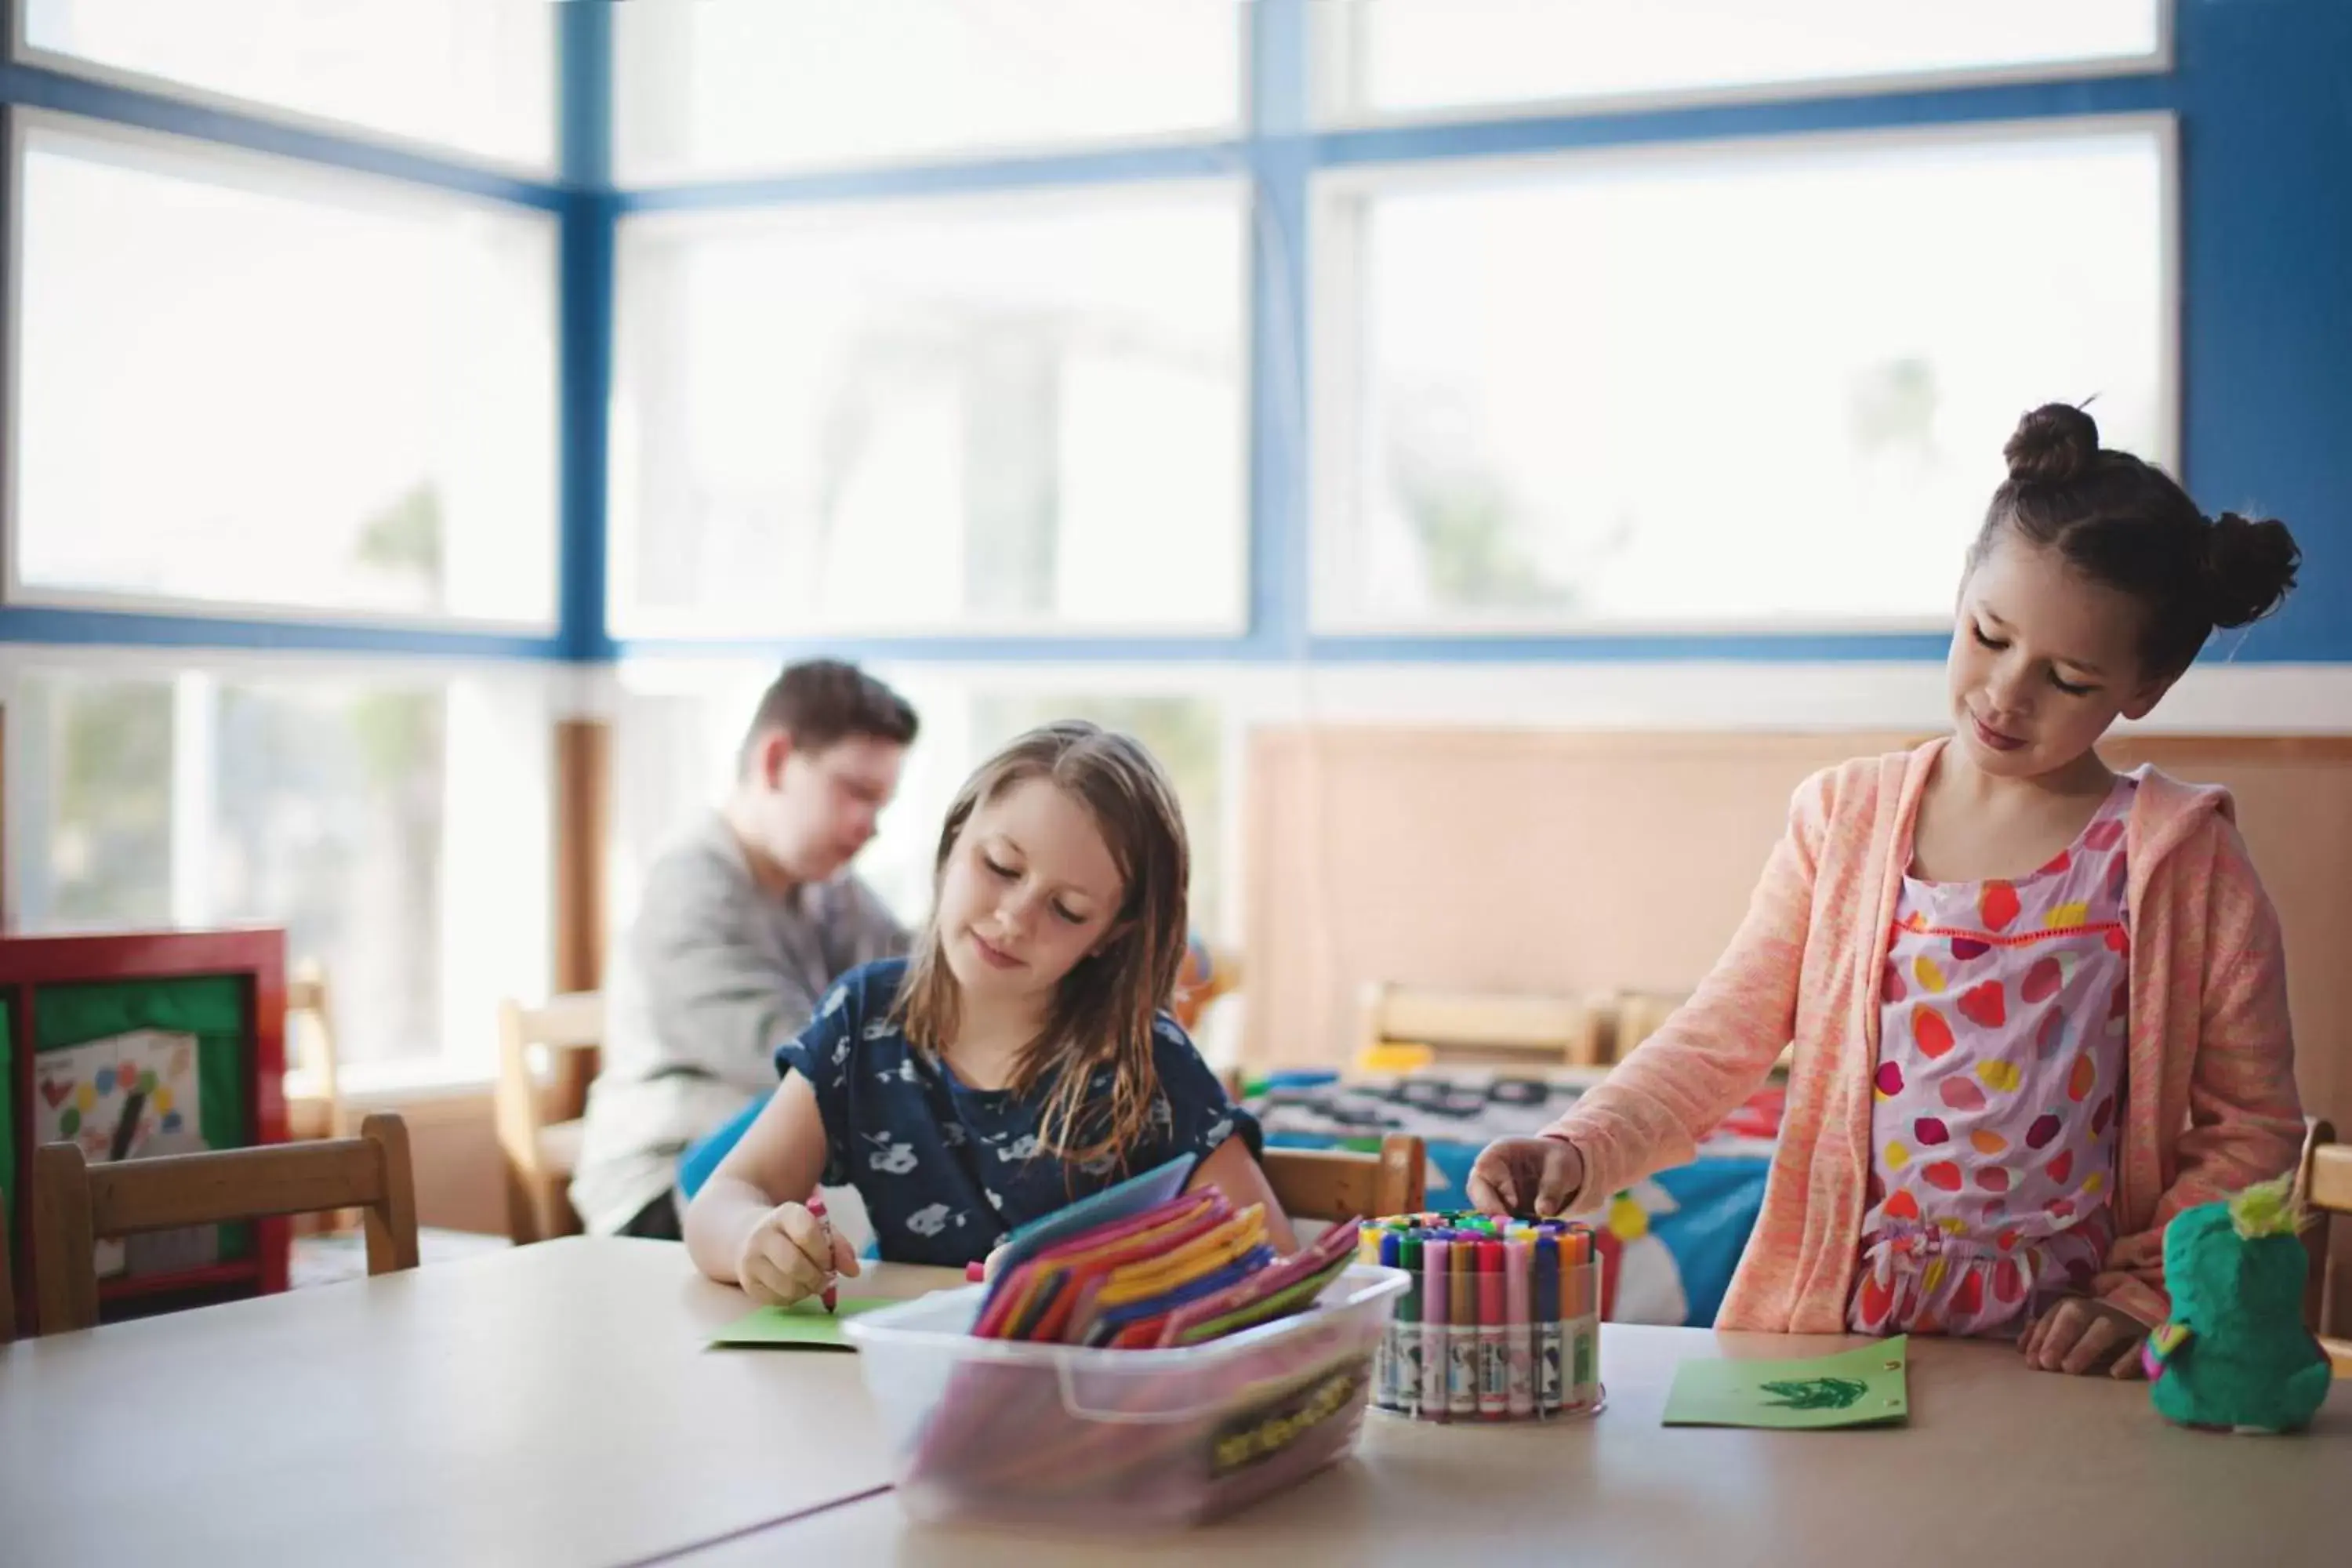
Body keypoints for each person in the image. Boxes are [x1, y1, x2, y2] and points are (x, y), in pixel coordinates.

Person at [1470, 404, 2307, 1377]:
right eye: (1988, 634)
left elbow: (2253, 1127)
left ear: (2145, 685)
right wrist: (1584, 1145)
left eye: (2068, 678)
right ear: (1962, 590)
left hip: (2070, 1356)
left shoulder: (2189, 865)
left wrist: (2141, 1295)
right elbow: (1720, 1034)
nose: (2006, 692)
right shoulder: (1843, 821)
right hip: (1845, 1327)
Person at [684, 720, 1292, 1304]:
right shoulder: (865, 1021)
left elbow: (1272, 1266)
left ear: (1110, 933)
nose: (1014, 919)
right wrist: (751, 1239)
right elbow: (726, 1197)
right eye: (1000, 867)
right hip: (893, 1383)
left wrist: (1102, 1278)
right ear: (954, 839)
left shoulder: (1146, 1059)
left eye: (1069, 909)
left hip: (1077, 1396)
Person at [571, 659, 917, 1240]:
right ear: (775, 761)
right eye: (856, 792)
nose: (869, 826)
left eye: (881, 805)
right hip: (665, 1182)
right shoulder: (691, 886)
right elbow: (791, 1060)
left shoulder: (828, 889)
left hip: (776, 1167)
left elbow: (916, 983)